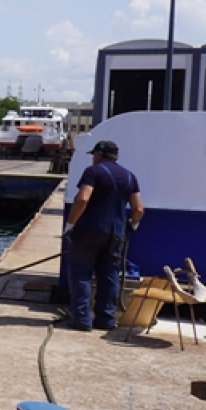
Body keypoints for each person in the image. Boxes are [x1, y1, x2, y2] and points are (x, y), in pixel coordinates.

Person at [63, 139, 144, 331]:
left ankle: (82, 320)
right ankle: (106, 320)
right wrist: (132, 225)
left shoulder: (93, 172)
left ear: (99, 155)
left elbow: (83, 198)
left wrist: (70, 224)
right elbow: (138, 209)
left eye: (94, 155)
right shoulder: (130, 176)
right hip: (116, 233)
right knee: (109, 275)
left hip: (89, 231)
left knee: (81, 273)